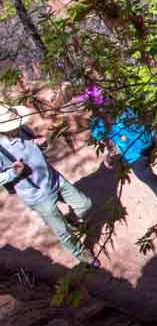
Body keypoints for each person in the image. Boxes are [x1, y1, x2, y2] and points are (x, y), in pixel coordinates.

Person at [0, 104, 97, 266]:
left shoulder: (23, 129)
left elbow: (38, 148)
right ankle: (82, 254)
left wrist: (42, 143)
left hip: (55, 179)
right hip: (37, 197)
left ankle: (71, 220)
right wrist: (13, 173)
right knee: (63, 232)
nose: (16, 127)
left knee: (85, 204)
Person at [89, 98, 157, 229]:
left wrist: (109, 158)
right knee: (153, 178)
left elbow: (103, 139)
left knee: (153, 183)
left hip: (135, 156)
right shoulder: (124, 108)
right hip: (148, 145)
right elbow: (147, 127)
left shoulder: (99, 121)